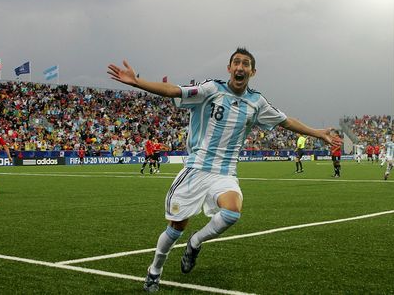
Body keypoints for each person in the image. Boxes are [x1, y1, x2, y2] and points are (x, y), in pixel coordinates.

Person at [107, 47, 341, 293]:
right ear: (229, 68)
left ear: (253, 71)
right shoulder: (211, 90)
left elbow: (286, 121)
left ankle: (195, 243)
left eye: (246, 64)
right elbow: (174, 90)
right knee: (175, 229)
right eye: (236, 63)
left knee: (232, 212)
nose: (240, 67)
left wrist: (317, 132)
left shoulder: (256, 102)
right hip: (196, 169)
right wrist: (137, 82)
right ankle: (155, 271)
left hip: (225, 172)